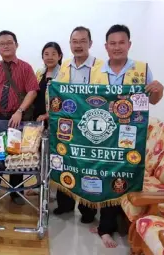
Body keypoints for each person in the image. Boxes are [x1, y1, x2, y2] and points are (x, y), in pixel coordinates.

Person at [89, 24, 164, 248]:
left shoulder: (141, 69)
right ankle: (105, 227)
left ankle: (107, 227)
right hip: (103, 134)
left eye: (122, 42)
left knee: (121, 179)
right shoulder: (97, 71)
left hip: (132, 136)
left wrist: (159, 89)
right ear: (106, 46)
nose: (117, 47)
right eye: (112, 43)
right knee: (104, 178)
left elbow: (154, 100)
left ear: (129, 44)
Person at [0, 30, 39, 205]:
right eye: (2, 43)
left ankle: (16, 191)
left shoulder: (25, 67)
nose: (5, 46)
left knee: (15, 155)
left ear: (16, 45)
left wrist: (20, 110)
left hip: (17, 118)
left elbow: (32, 91)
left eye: (9, 42)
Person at [54, 26, 102, 223]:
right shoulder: (64, 66)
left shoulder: (100, 66)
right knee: (65, 161)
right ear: (70, 44)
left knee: (87, 167)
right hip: (66, 126)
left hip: (90, 126)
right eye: (75, 41)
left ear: (90, 43)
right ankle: (64, 205)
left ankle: (87, 210)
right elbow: (56, 94)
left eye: (83, 41)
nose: (78, 45)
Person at [26, 42, 63, 197]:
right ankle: (39, 185)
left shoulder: (63, 74)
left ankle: (54, 190)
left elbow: (64, 100)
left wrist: (48, 115)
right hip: (37, 120)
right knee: (39, 154)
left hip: (56, 122)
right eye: (46, 54)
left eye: (53, 54)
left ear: (59, 56)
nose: (50, 57)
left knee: (55, 155)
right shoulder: (39, 73)